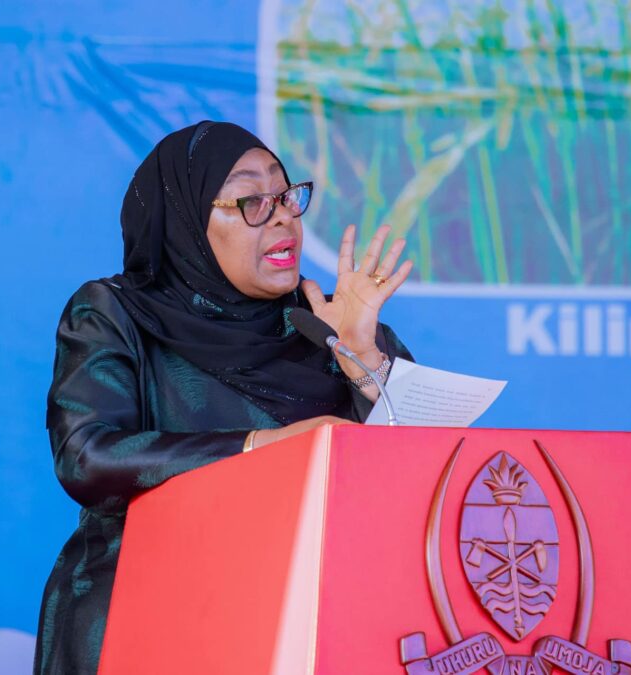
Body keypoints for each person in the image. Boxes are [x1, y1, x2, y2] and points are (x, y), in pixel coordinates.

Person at [34, 121, 413, 673]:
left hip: (301, 621)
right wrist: (265, 448)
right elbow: (86, 455)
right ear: (184, 221)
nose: (282, 214)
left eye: (285, 195)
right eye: (251, 201)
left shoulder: (332, 324)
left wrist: (365, 361)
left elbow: (422, 474)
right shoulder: (116, 314)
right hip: (143, 622)